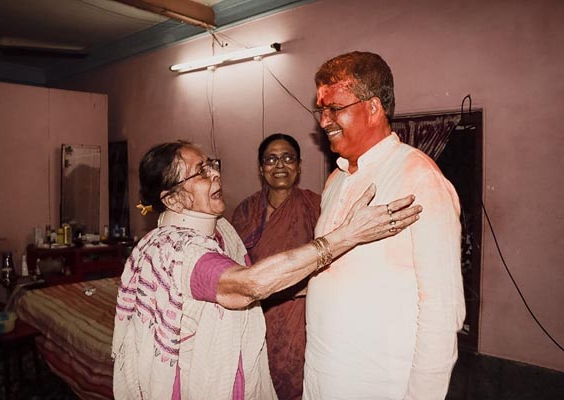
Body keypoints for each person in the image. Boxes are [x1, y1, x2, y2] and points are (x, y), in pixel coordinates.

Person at [112, 141, 422, 399]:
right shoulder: (177, 250)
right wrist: (347, 235)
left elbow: (262, 283)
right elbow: (251, 284)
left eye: (211, 165)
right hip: (198, 381)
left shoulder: (222, 231)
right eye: (201, 172)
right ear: (174, 199)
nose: (215, 174)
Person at [303, 51, 466, 400]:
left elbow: (441, 309)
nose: (324, 121)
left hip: (380, 385)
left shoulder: (419, 178)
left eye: (334, 108)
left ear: (374, 107)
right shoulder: (336, 180)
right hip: (321, 377)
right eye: (321, 110)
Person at [232, 133, 319, 400]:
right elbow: (233, 264)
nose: (279, 165)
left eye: (287, 158)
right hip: (254, 313)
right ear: (261, 168)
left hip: (300, 315)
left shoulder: (316, 206)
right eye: (271, 159)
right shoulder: (246, 211)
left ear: (299, 166)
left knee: (296, 381)